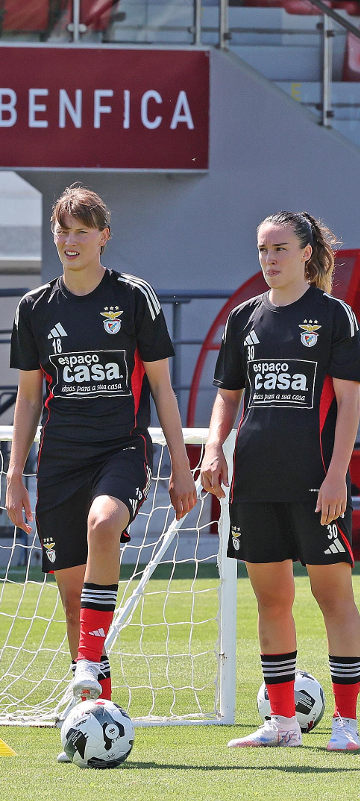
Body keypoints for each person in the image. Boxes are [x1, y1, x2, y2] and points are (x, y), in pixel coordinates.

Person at [6, 184, 196, 758]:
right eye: (62, 231)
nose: (69, 241)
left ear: (103, 236)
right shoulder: (35, 308)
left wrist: (181, 465)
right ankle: (93, 715)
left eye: (81, 231)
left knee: (105, 524)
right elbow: (29, 397)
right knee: (72, 600)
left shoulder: (134, 297)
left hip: (121, 448)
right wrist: (15, 473)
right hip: (58, 460)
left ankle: (89, 662)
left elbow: (162, 386)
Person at [201, 210, 360, 751]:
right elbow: (228, 396)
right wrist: (213, 449)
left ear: (305, 253)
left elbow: (347, 404)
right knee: (271, 600)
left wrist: (337, 475)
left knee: (332, 596)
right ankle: (282, 724)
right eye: (262, 250)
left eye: (279, 249)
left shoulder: (335, 317)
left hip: (316, 483)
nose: (269, 259)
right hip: (254, 483)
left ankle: (346, 723)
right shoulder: (243, 319)